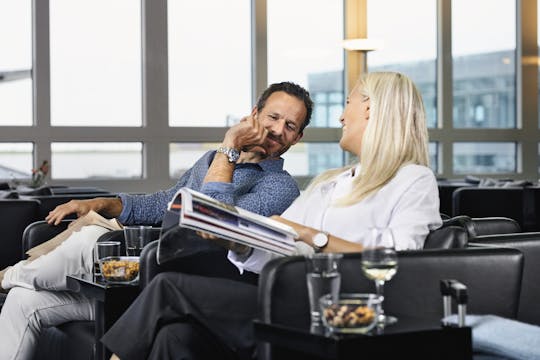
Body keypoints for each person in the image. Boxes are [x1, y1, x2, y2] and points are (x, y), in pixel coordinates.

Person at [101, 71, 443, 360]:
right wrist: (238, 242)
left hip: (335, 310)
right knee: (173, 338)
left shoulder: (413, 179)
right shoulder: (330, 184)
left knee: (165, 287)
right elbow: (277, 243)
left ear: (370, 109)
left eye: (348, 105)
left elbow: (403, 262)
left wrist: (311, 236)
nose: (341, 117)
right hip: (294, 298)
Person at [0, 81, 314, 360]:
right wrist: (103, 203)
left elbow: (216, 225)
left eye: (289, 126)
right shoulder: (210, 161)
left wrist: (229, 149)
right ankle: (12, 281)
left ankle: (7, 276)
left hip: (183, 284)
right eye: (273, 117)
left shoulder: (280, 187)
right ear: (255, 113)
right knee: (23, 300)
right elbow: (165, 202)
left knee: (87, 240)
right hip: (146, 273)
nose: (276, 129)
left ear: (297, 138)